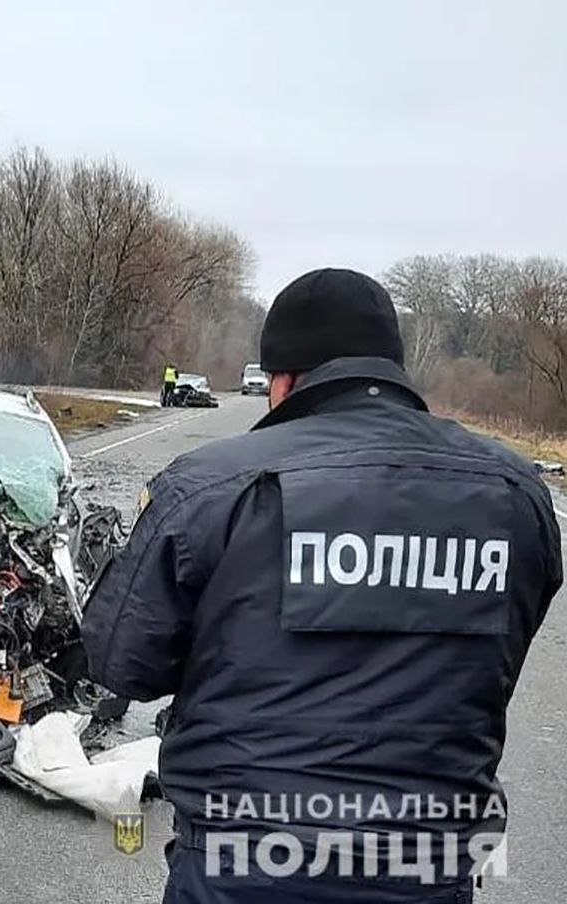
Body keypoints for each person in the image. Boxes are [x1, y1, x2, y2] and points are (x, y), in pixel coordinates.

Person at [82, 268, 561, 903]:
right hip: (428, 868)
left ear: (281, 382)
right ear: (392, 368)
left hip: (243, 866)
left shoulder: (210, 486)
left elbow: (124, 663)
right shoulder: (517, 493)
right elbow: (498, 657)